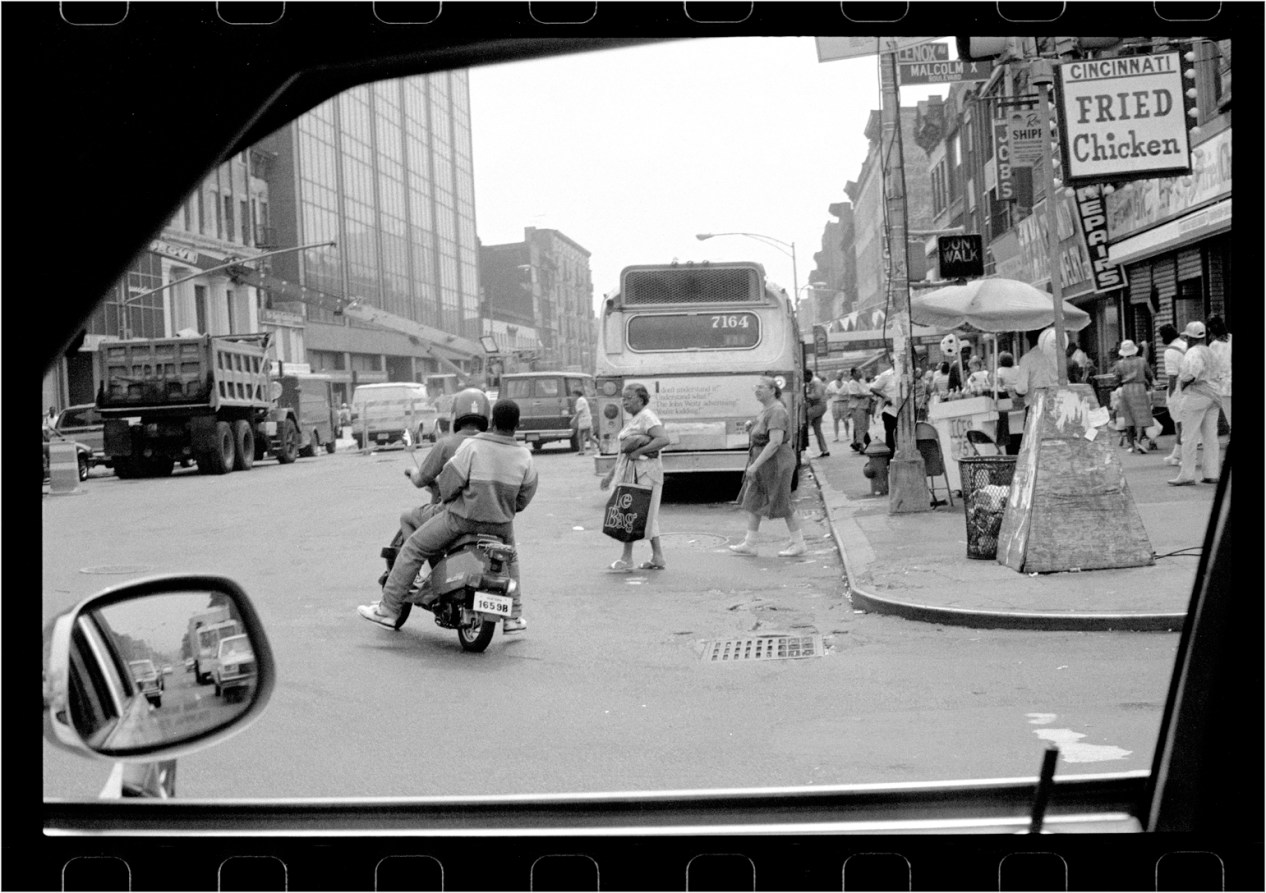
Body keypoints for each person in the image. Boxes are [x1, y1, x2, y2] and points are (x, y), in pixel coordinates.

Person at [358, 399, 537, 633]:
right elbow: (523, 498)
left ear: (492, 422)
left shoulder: (473, 447)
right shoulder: (525, 456)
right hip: (501, 526)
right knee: (510, 559)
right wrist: (503, 509)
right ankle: (513, 617)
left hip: (462, 520)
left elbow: (448, 485)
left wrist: (457, 498)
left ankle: (389, 610)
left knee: (413, 548)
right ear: (518, 425)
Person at [394, 389, 490, 545]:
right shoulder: (493, 446)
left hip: (455, 516)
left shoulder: (446, 445)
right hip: (490, 516)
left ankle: (412, 567)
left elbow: (420, 480)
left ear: (456, 416)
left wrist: (412, 471)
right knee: (510, 553)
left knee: (406, 518)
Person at [729, 376, 806, 558]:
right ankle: (750, 543)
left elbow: (775, 442)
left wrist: (755, 465)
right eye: (756, 387)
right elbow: (764, 434)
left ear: (772, 390)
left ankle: (798, 543)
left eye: (761, 387)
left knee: (782, 502)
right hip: (765, 462)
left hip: (776, 463)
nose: (757, 390)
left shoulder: (777, 410)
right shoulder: (767, 409)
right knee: (754, 500)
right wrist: (752, 428)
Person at [599, 383, 671, 571]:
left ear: (641, 399)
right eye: (623, 398)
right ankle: (656, 557)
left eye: (629, 398)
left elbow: (663, 439)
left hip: (645, 473)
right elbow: (623, 454)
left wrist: (640, 451)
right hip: (632, 473)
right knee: (638, 514)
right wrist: (610, 474)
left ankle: (627, 558)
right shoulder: (635, 419)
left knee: (635, 514)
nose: (624, 402)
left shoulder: (647, 417)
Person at [1169, 321, 1224, 486]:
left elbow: (1191, 373)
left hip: (1196, 395)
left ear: (1189, 338)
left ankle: (1187, 475)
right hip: (1214, 396)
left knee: (1189, 436)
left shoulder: (1193, 352)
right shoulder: (1210, 351)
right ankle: (1211, 473)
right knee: (1210, 437)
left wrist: (1183, 385)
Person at [1110, 340, 1156, 454]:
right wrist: (1150, 383)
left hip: (1126, 389)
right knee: (1140, 416)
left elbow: (1116, 379)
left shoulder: (1119, 364)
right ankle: (1139, 441)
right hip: (1140, 388)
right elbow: (1149, 374)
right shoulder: (1142, 361)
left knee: (1129, 418)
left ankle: (1131, 444)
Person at [1012, 327, 1064, 416]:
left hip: (1034, 407)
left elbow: (1022, 389)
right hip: (1056, 404)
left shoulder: (1027, 358)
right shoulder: (1057, 356)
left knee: (1032, 430)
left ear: (1027, 340)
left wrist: (1014, 391)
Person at [1159, 324, 1188, 467]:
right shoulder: (1185, 344)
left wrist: (1170, 394)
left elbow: (1172, 376)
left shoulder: (1169, 352)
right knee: (1184, 423)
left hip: (1178, 389)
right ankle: (1176, 454)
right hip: (1190, 386)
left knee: (1180, 423)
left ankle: (1184, 457)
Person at [1206, 314, 1231, 431]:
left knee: (1230, 415)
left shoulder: (1213, 346)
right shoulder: (1231, 338)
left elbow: (1211, 368)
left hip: (1224, 385)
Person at [868, 365, 900, 452]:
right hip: (891, 411)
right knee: (891, 437)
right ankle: (891, 459)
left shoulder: (908, 372)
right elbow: (873, 388)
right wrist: (885, 396)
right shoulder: (886, 375)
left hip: (905, 411)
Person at [803, 367, 829, 457]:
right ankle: (824, 450)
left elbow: (817, 395)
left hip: (819, 405)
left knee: (804, 416)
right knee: (817, 430)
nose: (804, 379)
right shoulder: (812, 382)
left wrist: (806, 396)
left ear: (808, 375)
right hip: (818, 406)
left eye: (804, 376)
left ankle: (803, 440)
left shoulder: (816, 382)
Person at [846, 368, 871, 454]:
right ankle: (861, 445)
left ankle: (857, 441)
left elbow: (867, 391)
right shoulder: (851, 383)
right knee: (859, 426)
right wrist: (867, 395)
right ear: (853, 374)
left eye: (861, 371)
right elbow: (857, 394)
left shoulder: (862, 381)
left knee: (866, 426)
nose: (860, 373)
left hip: (865, 406)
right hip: (857, 407)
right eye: (858, 372)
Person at [571, 388, 597, 456]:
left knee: (585, 436)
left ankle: (598, 444)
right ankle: (581, 450)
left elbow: (580, 411)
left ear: (576, 395)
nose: (572, 397)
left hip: (584, 420)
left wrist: (574, 419)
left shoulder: (580, 400)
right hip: (584, 420)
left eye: (573, 395)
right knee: (582, 435)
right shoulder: (582, 399)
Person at [826, 370, 848, 443]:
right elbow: (827, 392)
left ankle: (847, 434)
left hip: (844, 402)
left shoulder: (846, 384)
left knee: (845, 419)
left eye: (841, 374)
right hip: (835, 403)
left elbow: (849, 393)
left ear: (843, 376)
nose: (840, 375)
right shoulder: (831, 384)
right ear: (836, 375)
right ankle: (836, 436)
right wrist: (833, 393)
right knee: (835, 420)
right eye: (838, 374)